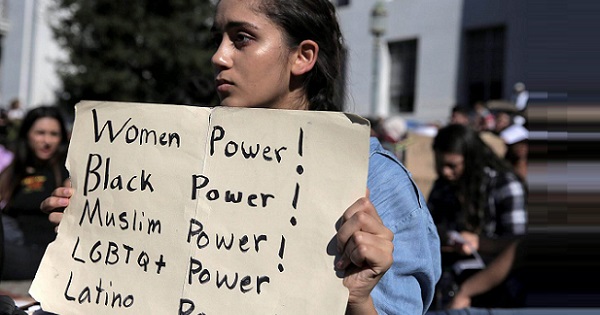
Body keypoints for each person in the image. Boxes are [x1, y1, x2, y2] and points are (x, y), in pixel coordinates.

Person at [40, 1, 441, 314]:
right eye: (217, 38)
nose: (219, 56)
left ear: (303, 56)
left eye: (242, 38)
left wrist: (359, 300)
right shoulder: (176, 156)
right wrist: (90, 229)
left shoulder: (377, 185)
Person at [427, 124, 526, 309]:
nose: (445, 172)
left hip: (494, 288)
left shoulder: (505, 185)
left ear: (471, 159)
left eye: (452, 165)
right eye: (440, 165)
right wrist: (447, 238)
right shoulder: (442, 187)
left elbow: (518, 245)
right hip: (447, 279)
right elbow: (428, 227)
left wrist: (479, 242)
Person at [0, 106, 69, 280]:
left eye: (54, 134)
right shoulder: (14, 170)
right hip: (15, 242)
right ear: (27, 134)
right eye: (40, 133)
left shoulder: (67, 169)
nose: (47, 140)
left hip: (45, 253)